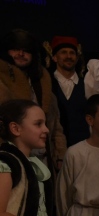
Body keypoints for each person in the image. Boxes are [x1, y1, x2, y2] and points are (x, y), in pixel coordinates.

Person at [0, 28, 67, 176]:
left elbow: (55, 125)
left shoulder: (43, 85)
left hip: (43, 157)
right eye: (15, 49)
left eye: (26, 51)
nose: (21, 54)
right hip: (9, 158)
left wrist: (60, 153)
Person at [46, 34, 89, 147]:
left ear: (77, 58)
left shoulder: (87, 84)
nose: (68, 56)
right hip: (55, 148)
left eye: (72, 53)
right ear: (55, 57)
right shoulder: (47, 84)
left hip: (83, 148)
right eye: (63, 52)